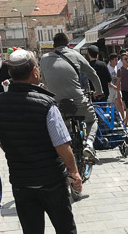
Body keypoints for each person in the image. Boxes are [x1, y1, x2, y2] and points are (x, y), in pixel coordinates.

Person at [0, 50, 87, 234]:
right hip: (51, 178)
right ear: (35, 72)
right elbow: (62, 144)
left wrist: (19, 153)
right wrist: (74, 173)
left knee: (32, 232)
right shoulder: (46, 103)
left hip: (22, 180)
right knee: (64, 225)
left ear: (10, 73)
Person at [40, 33, 103, 164]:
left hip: (57, 104)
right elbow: (92, 74)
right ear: (68, 45)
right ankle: (89, 144)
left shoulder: (44, 59)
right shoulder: (75, 55)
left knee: (62, 125)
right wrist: (99, 91)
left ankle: (65, 152)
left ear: (53, 46)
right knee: (92, 120)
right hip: (78, 101)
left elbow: (45, 83)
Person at [107, 53, 125, 121]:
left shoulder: (117, 67)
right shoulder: (108, 68)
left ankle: (123, 119)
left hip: (117, 88)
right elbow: (107, 81)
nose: (117, 62)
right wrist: (113, 86)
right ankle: (111, 119)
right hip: (110, 88)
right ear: (111, 60)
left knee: (120, 101)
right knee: (111, 104)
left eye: (117, 60)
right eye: (115, 60)